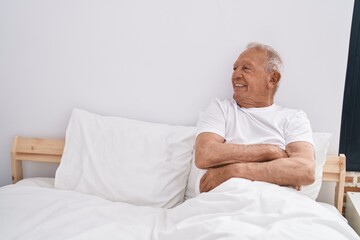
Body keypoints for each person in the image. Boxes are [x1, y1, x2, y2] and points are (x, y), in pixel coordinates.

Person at [195, 42, 315, 193]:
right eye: (235, 68)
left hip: (280, 206)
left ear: (272, 79)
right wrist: (270, 152)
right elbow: (204, 154)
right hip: (222, 203)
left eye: (246, 68)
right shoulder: (221, 109)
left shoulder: (293, 118)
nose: (235, 75)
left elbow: (305, 171)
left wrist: (234, 170)